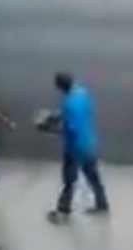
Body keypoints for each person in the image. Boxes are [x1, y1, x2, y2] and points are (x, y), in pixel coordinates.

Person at [47, 72, 109, 224]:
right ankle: (102, 203)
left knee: (69, 180)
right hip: (89, 141)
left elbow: (70, 129)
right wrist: (55, 117)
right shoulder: (81, 93)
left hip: (75, 148)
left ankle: (63, 210)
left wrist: (49, 128)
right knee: (93, 176)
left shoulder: (68, 103)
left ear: (61, 87)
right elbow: (75, 115)